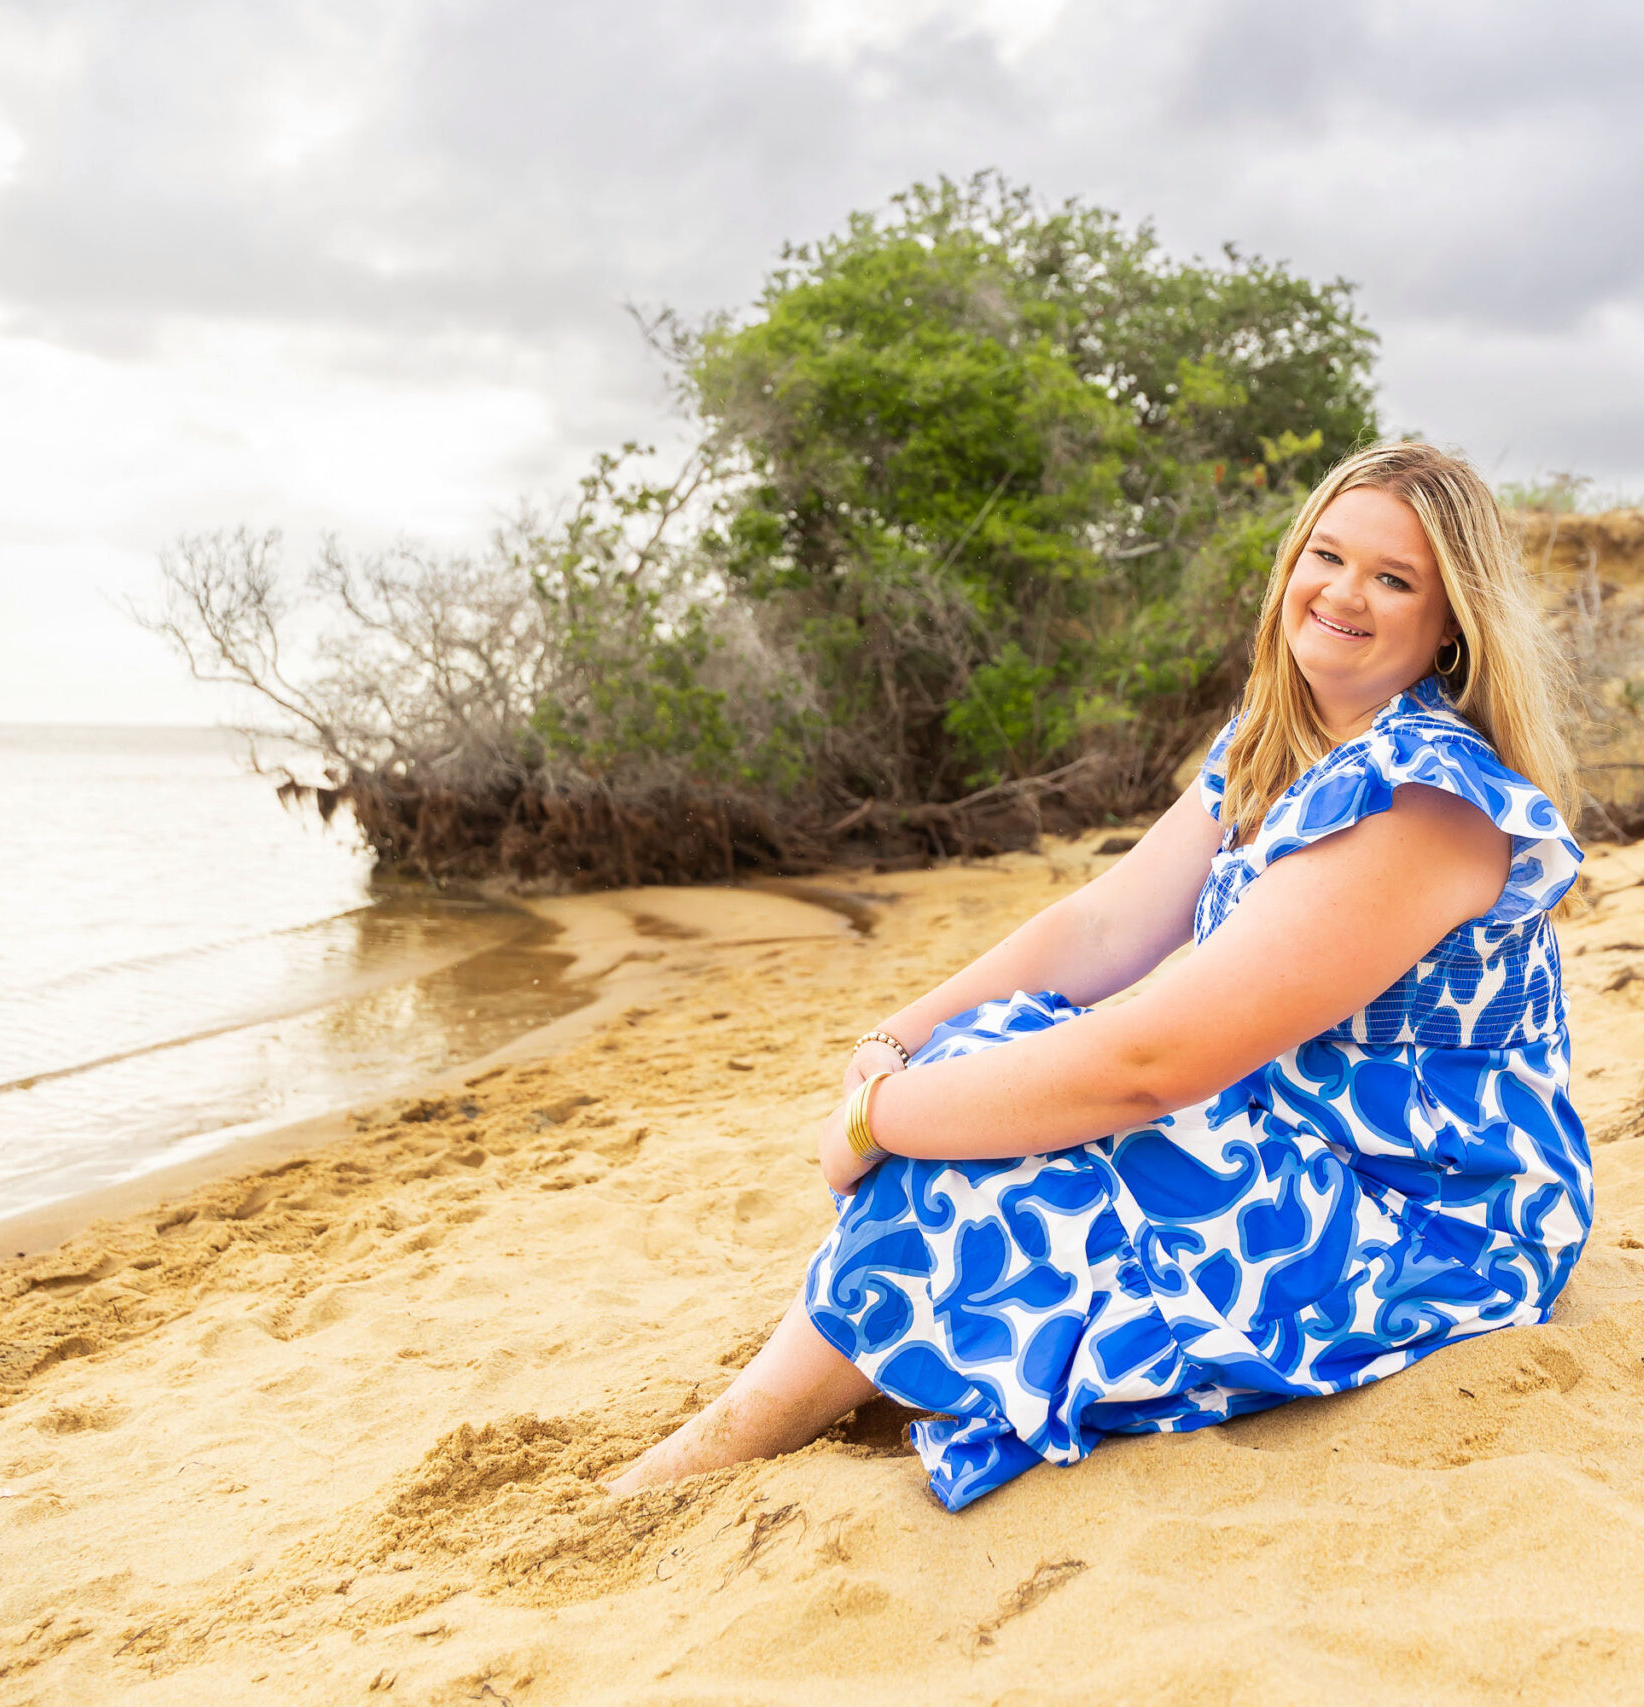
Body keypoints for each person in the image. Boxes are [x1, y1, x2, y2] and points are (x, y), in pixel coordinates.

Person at [603, 441, 1592, 1510]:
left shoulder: (1423, 800)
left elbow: (1148, 1066)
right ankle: (787, 1396)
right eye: (1327, 554)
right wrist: (897, 1040)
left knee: (991, 1122)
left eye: (1393, 579)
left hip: (1421, 1213)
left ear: (1450, 619)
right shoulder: (1281, 741)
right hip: (1284, 1132)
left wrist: (878, 1121)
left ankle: (735, 1435)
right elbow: (1105, 928)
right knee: (990, 1055)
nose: (1342, 593)